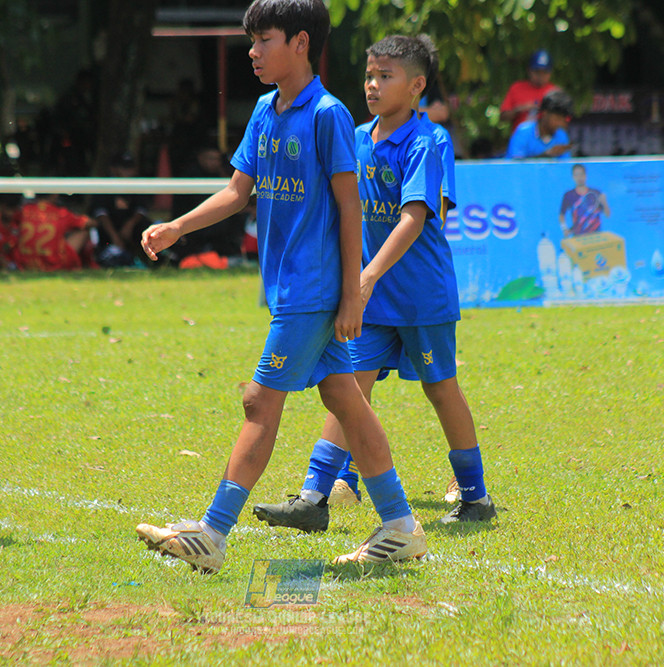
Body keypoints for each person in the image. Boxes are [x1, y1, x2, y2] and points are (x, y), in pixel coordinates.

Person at [135, 0, 427, 574]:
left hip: (313, 292)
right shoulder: (266, 111)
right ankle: (399, 524)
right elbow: (238, 191)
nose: (252, 51)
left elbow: (351, 206)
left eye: (263, 39)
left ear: (300, 43)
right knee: (344, 396)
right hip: (291, 289)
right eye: (251, 41)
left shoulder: (328, 114)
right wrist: (177, 226)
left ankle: (213, 533)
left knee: (259, 401)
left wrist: (352, 292)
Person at [253, 34, 497, 532]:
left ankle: (476, 496)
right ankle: (313, 497)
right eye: (369, 75)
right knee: (347, 389)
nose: (372, 84)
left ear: (416, 86)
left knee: (440, 388)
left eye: (385, 76)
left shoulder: (430, 141)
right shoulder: (358, 137)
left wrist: (365, 275)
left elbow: (413, 217)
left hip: (420, 297)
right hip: (366, 299)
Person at [89, 152, 153, 268]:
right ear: (113, 169)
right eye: (125, 168)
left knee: (148, 227)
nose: (129, 172)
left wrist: (129, 225)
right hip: (108, 233)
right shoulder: (103, 186)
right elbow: (101, 214)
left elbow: (141, 210)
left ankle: (149, 258)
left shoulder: (137, 185)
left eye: (131, 168)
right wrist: (115, 237)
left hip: (132, 230)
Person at [15, 194, 92, 271]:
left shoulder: (24, 211)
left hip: (25, 264)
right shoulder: (61, 213)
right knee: (84, 231)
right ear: (54, 195)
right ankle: (86, 263)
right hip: (54, 264)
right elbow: (88, 223)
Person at [500, 49, 558, 135]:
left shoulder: (555, 92)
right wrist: (518, 110)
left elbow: (563, 122)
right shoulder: (517, 88)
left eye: (545, 72)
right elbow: (503, 117)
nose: (540, 76)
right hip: (521, 143)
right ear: (529, 71)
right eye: (537, 72)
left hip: (546, 142)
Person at [505, 88, 574, 160]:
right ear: (545, 113)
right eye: (557, 119)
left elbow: (564, 166)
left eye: (563, 121)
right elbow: (516, 165)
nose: (560, 124)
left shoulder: (561, 135)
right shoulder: (523, 132)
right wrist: (546, 155)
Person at [559, 163, 611, 236]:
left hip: (597, 236)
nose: (579, 177)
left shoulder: (596, 193)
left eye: (581, 174)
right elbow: (561, 215)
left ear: (586, 175)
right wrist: (564, 229)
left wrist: (605, 202)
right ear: (573, 177)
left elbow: (607, 215)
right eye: (576, 175)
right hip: (579, 237)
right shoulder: (568, 195)